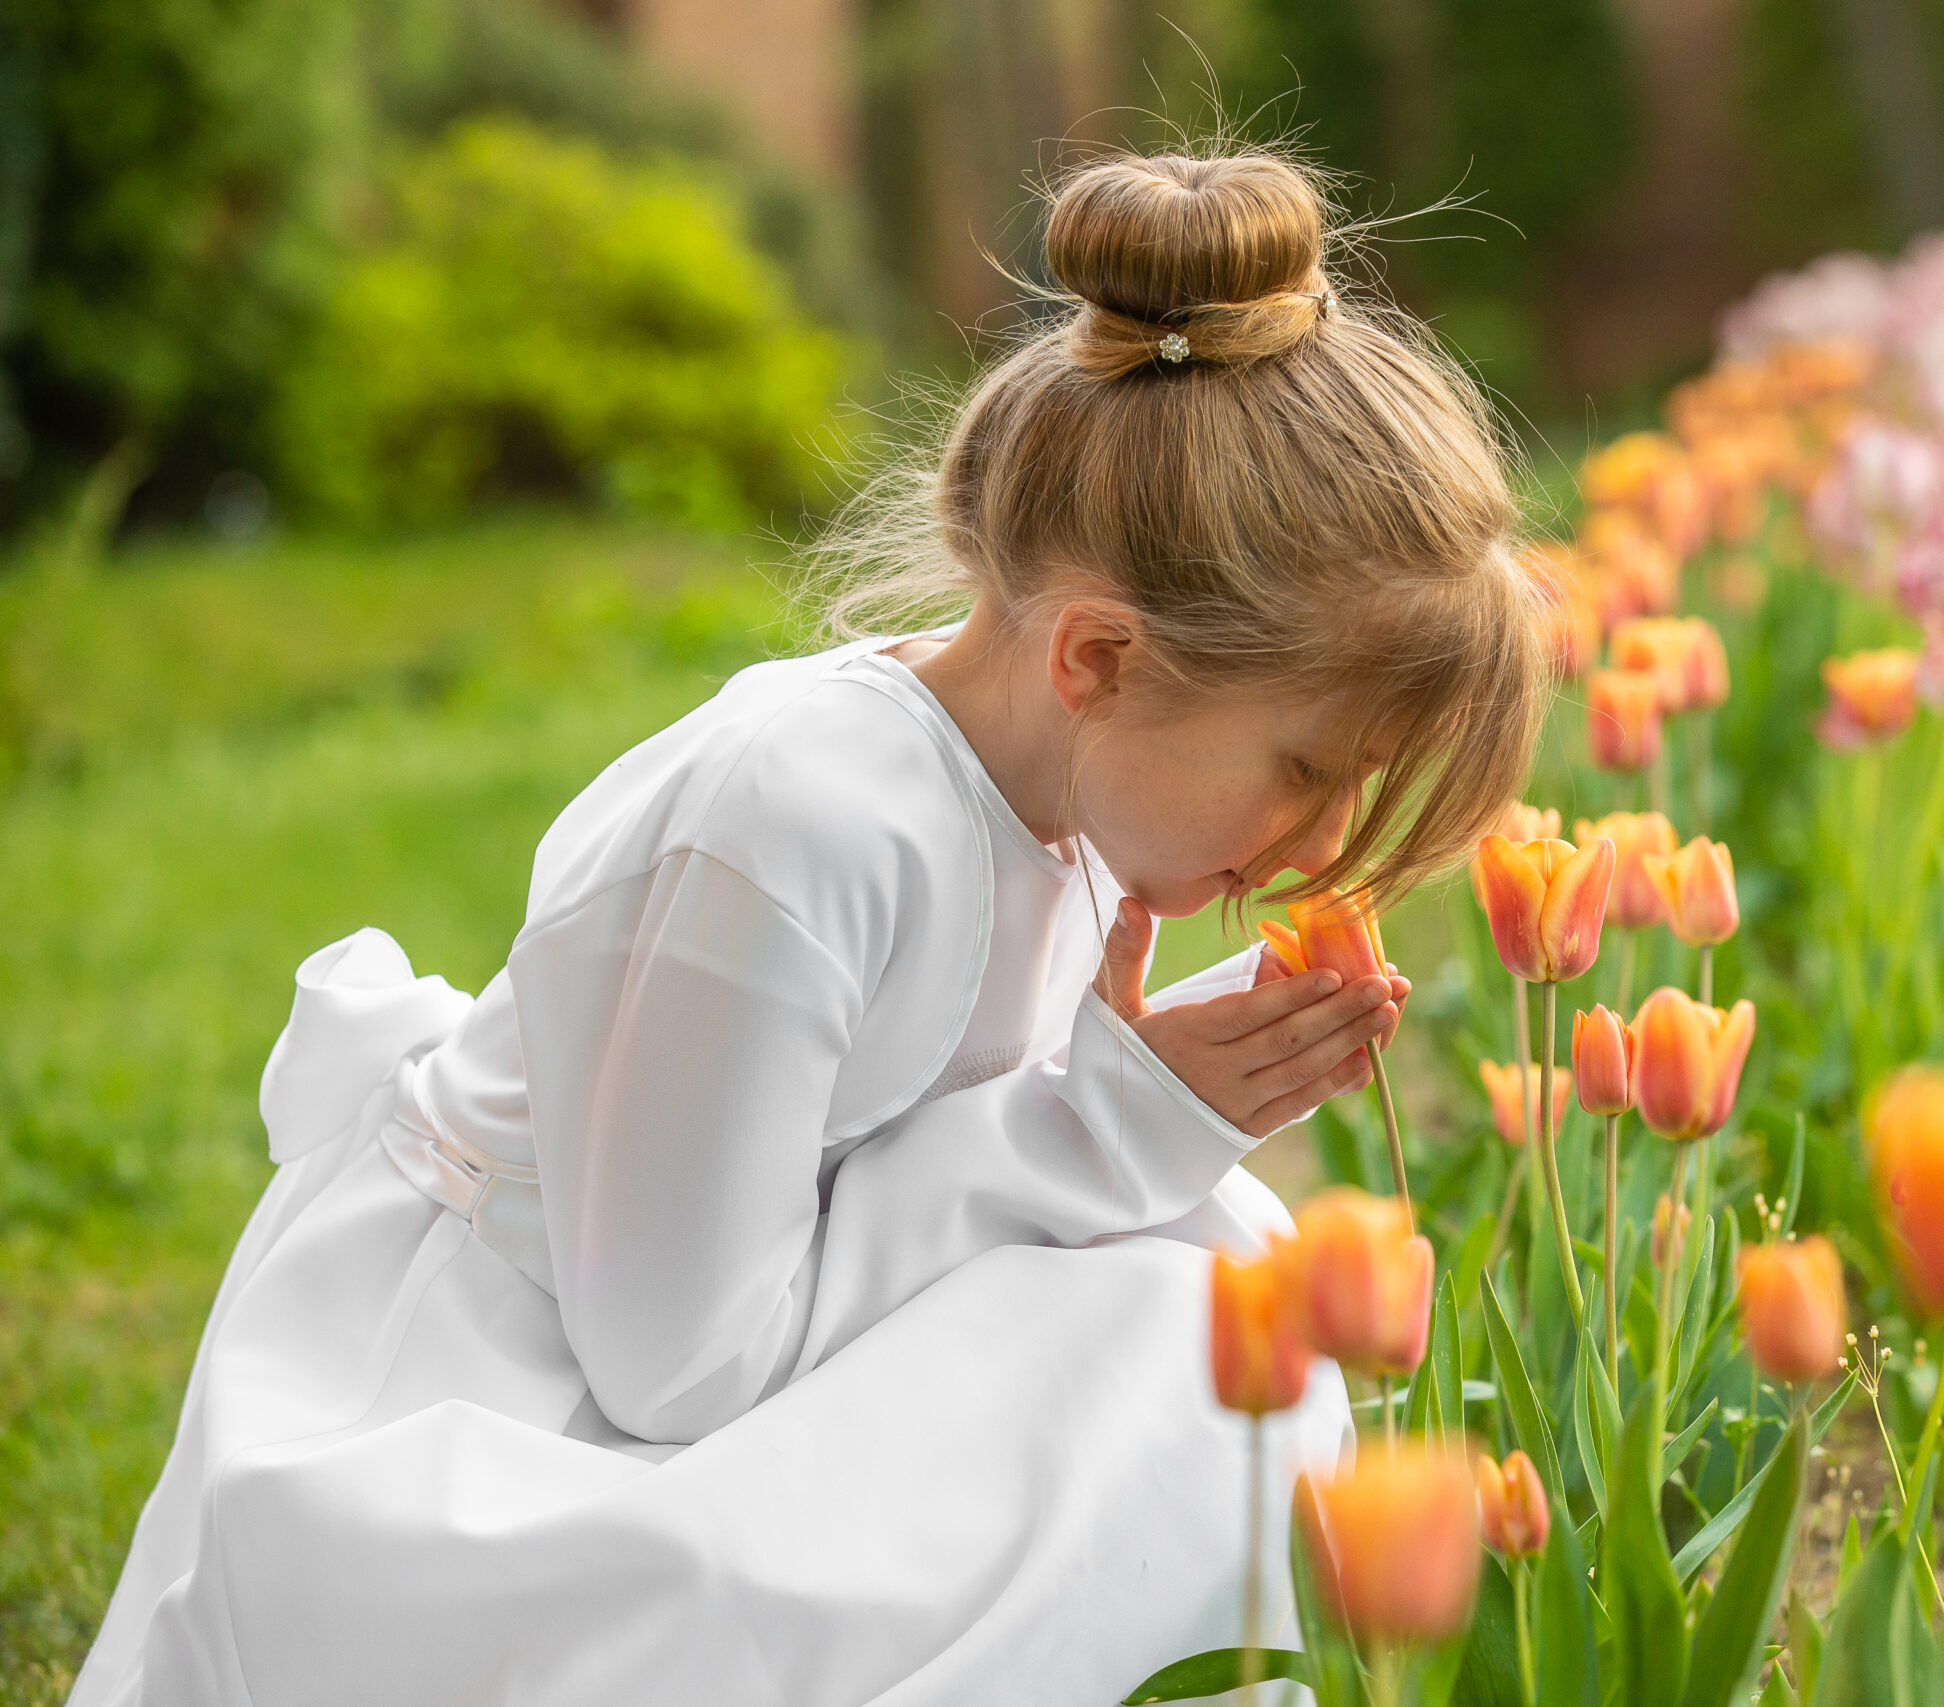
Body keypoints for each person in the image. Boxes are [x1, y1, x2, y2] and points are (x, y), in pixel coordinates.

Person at [69, 147, 1544, 1706]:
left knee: (1210, 1308)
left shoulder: (1077, 797)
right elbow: (678, 1370)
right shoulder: (800, 829)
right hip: (529, 1401)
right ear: (1099, 661)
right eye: (1307, 774)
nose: (1322, 848)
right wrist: (1102, 1123)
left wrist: (1145, 1087)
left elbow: (937, 1159)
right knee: (1169, 1328)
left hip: (719, 1350)